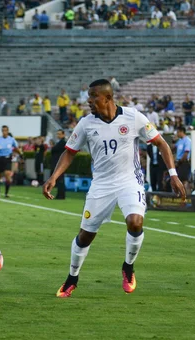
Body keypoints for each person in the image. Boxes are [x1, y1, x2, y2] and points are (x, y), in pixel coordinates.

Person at [43, 79, 186, 297]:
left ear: (108, 97)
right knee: (85, 236)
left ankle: (128, 267)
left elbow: (162, 143)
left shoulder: (133, 117)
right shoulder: (86, 124)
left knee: (135, 222)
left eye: (93, 96)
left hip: (130, 181)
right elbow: (69, 152)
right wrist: (54, 177)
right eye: (88, 97)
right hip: (101, 185)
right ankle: (72, 277)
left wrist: (174, 175)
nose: (89, 101)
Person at [0, 125, 23, 198]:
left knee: (7, 174)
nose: (4, 132)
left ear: (8, 131)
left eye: (5, 130)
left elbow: (16, 148)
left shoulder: (11, 140)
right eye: (3, 130)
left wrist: (21, 155)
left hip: (7, 159)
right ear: (2, 131)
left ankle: (6, 193)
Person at [49, 130, 67, 199]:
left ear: (63, 135)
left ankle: (61, 195)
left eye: (59, 134)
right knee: (59, 180)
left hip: (60, 164)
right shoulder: (59, 142)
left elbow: (54, 150)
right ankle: (60, 195)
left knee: (60, 180)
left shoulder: (62, 143)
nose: (58, 135)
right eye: (57, 134)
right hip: (58, 163)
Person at [174, 126, 191, 195]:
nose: (177, 134)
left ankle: (187, 197)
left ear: (182, 132)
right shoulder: (180, 141)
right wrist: (173, 140)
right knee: (178, 180)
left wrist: (180, 162)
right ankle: (180, 196)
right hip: (178, 162)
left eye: (178, 132)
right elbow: (173, 148)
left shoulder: (187, 140)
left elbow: (186, 153)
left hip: (184, 162)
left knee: (184, 181)